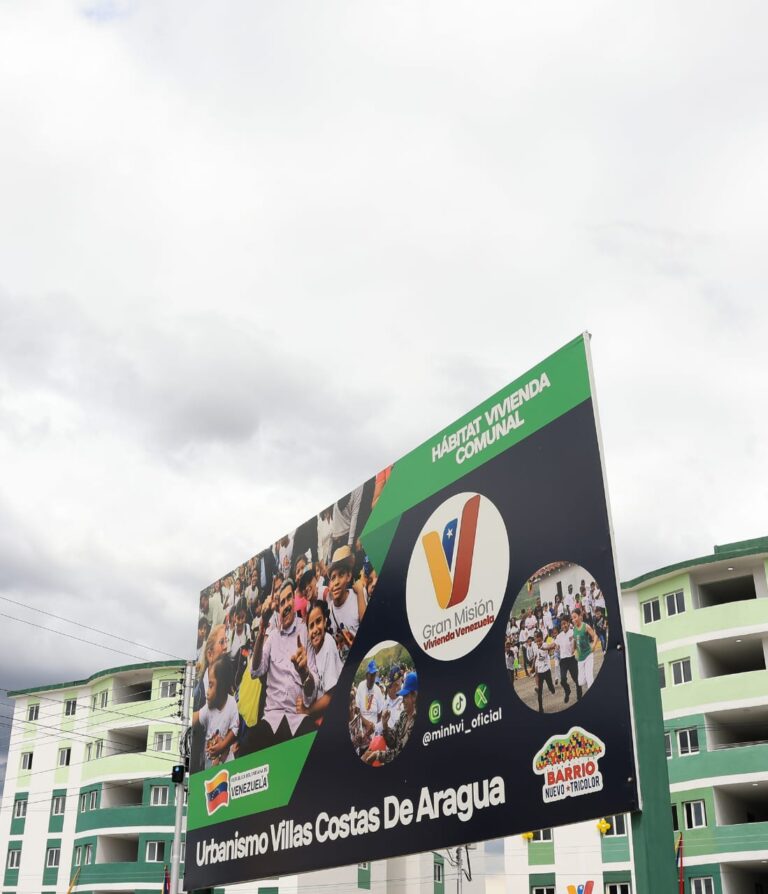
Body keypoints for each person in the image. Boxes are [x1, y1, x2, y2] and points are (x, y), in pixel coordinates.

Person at [240, 578, 318, 754]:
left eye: (289, 598)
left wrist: (304, 672)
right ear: (278, 609)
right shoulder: (273, 637)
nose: (286, 605)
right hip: (272, 719)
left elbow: (312, 691)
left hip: (296, 718)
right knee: (246, 748)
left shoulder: (305, 631)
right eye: (282, 603)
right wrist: (262, 628)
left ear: (294, 600)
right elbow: (255, 670)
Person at [298, 600, 343, 722]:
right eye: (311, 626)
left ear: (325, 621)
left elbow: (330, 696)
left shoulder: (328, 643)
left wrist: (307, 711)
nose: (315, 630)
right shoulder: (312, 649)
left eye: (318, 621)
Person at [192, 655, 239, 768]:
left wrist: (222, 746)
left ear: (221, 686)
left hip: (228, 762)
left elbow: (235, 729)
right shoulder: (208, 709)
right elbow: (195, 718)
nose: (207, 692)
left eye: (211, 685)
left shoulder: (231, 703)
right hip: (210, 764)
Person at [363, 671, 418, 764]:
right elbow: (393, 742)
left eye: (406, 696)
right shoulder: (403, 715)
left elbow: (399, 751)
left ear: (414, 696)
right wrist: (385, 726)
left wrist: (378, 756)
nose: (403, 701)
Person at [327, 546, 366, 659]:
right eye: (333, 578)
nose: (336, 582)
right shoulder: (328, 610)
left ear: (348, 576)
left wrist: (360, 592)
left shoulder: (358, 596)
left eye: (341, 575)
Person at [355, 659, 385, 747]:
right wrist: (366, 723)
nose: (373, 678)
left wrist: (374, 726)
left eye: (374, 675)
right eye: (371, 675)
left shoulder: (378, 690)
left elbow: (380, 714)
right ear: (366, 675)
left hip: (373, 735)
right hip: (362, 733)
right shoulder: (361, 686)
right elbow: (357, 710)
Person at [571, 607, 599, 692]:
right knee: (581, 682)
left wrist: (593, 645)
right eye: (572, 618)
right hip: (580, 658)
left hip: (588, 655)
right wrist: (574, 650)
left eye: (575, 617)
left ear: (580, 616)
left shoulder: (586, 626)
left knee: (589, 677)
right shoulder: (574, 629)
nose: (573, 620)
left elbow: (595, 636)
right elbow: (575, 640)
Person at [529, 630, 556, 712]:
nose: (538, 643)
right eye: (537, 641)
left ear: (542, 639)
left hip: (547, 670)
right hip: (540, 672)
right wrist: (532, 668)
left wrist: (545, 648)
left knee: (551, 688)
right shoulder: (534, 646)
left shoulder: (545, 644)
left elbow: (552, 645)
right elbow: (535, 657)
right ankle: (541, 708)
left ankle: (552, 689)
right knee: (540, 691)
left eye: (540, 641)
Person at [555, 616, 580, 703]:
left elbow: (577, 641)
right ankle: (567, 691)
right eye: (562, 624)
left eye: (565, 623)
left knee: (577, 680)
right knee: (562, 680)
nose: (563, 626)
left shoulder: (573, 632)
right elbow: (556, 645)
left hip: (571, 659)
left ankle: (579, 697)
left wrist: (574, 647)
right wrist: (556, 647)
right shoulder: (559, 636)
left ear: (568, 623)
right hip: (563, 661)